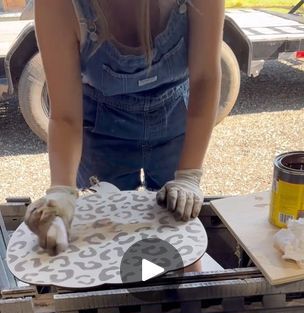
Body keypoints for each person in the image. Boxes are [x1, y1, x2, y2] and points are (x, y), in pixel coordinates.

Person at [25, 0, 224, 256]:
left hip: (174, 118)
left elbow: (205, 79)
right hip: (102, 128)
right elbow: (65, 117)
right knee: (102, 244)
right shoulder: (58, 5)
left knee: (180, 238)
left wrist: (188, 176)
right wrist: (61, 192)